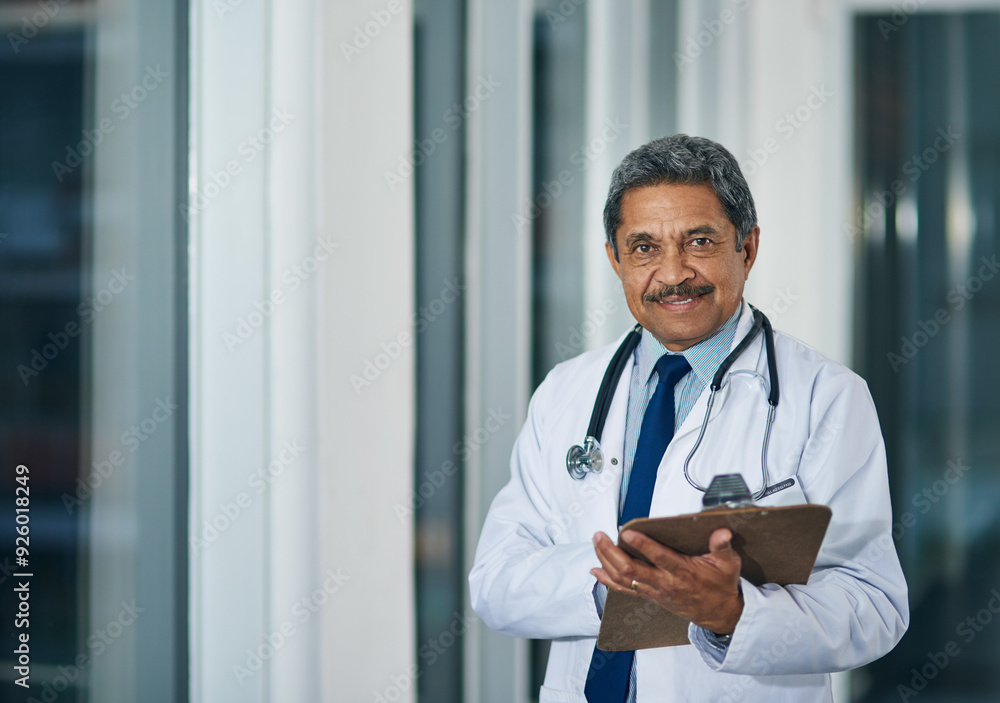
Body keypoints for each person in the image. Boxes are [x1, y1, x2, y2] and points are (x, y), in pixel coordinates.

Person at [468, 134, 908, 702]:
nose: (673, 273)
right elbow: (496, 583)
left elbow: (874, 604)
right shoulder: (566, 391)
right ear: (615, 259)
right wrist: (629, 584)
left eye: (699, 241)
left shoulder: (826, 396)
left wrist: (731, 613)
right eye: (644, 247)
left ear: (746, 249)